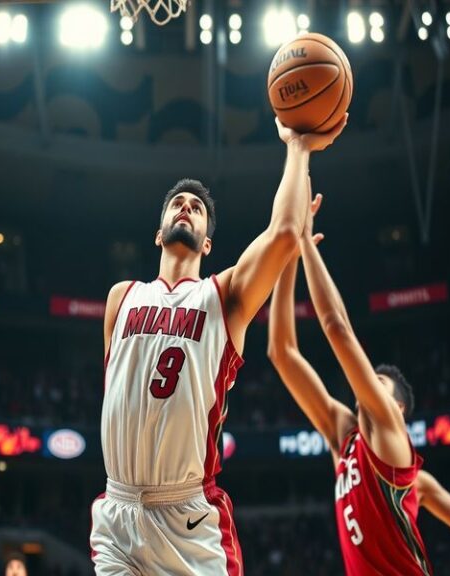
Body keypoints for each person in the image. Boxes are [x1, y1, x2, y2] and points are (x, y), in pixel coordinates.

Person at [89, 115, 347, 576]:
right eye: (177, 204)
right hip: (118, 510)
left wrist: (298, 147)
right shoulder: (119, 297)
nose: (185, 207)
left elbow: (284, 233)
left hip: (188, 520)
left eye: (196, 207)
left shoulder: (223, 297)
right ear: (158, 231)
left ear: (208, 243)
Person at [267, 193, 450, 576]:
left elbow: (337, 328)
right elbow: (281, 352)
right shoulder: (343, 438)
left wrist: (305, 240)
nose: (367, 383)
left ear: (397, 409)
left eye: (379, 382)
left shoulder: (390, 437)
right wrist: (286, 259)